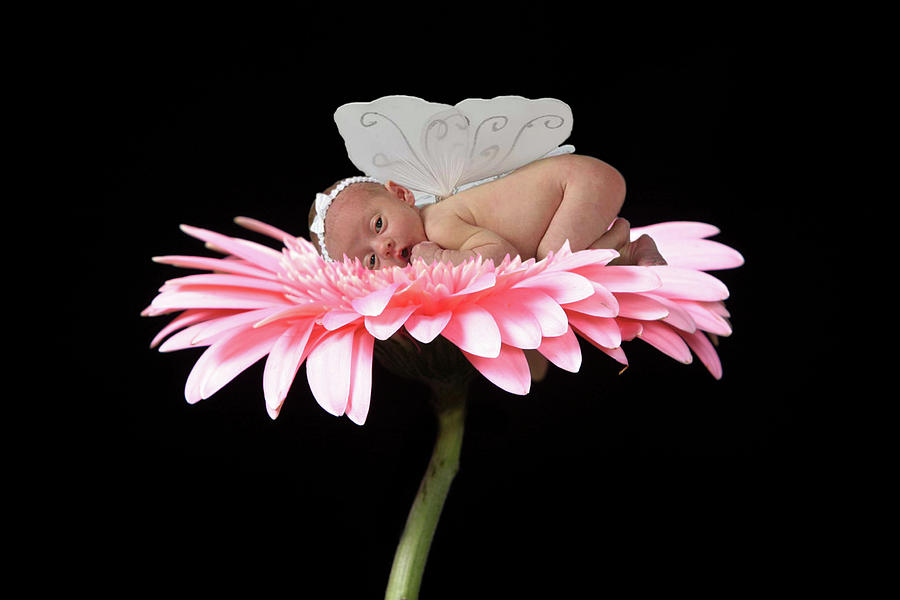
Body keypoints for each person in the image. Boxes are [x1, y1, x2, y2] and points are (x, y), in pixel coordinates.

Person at [308, 153, 666, 269]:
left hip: (579, 183)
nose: (383, 247)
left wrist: (444, 257)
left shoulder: (440, 223)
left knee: (553, 260)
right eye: (370, 261)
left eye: (379, 224)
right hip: (574, 184)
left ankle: (627, 244)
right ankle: (622, 250)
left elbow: (503, 255)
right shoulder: (433, 224)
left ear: (402, 195)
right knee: (557, 259)